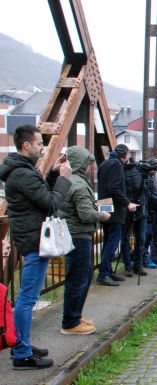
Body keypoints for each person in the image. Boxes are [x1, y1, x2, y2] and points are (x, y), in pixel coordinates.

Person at [0, 124, 72, 370]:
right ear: (26, 145)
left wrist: (52, 174)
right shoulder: (23, 173)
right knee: (27, 298)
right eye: (40, 143)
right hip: (34, 241)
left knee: (27, 297)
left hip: (30, 237)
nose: (42, 148)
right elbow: (51, 203)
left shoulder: (21, 170)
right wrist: (63, 180)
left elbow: (40, 194)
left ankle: (24, 344)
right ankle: (21, 352)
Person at [57, 146, 110, 335]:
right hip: (78, 236)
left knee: (83, 277)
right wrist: (103, 216)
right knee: (79, 279)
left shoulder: (71, 181)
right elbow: (86, 214)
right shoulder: (78, 184)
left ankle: (75, 316)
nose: (92, 168)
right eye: (90, 164)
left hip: (76, 234)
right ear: (82, 164)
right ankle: (70, 322)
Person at [96, 144, 137, 286]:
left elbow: (105, 187)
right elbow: (114, 187)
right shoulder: (116, 165)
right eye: (128, 155)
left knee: (107, 240)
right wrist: (127, 203)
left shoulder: (104, 163)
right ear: (124, 155)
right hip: (114, 207)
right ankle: (103, 273)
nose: (129, 158)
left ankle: (107, 271)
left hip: (104, 203)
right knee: (113, 241)